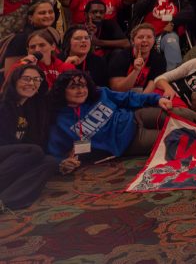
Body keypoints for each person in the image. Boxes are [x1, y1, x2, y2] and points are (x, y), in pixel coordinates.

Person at [48, 70, 173, 166]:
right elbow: (54, 154)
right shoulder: (60, 122)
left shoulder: (98, 93)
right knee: (174, 137)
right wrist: (62, 163)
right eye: (73, 87)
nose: (80, 90)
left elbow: (127, 97)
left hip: (135, 116)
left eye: (83, 85)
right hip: (130, 141)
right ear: (62, 91)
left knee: (176, 114)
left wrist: (157, 99)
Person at [0, 63, 63, 210]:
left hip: (15, 158)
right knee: (33, 151)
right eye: (26, 79)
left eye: (36, 80)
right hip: (4, 152)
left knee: (50, 161)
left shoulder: (34, 109)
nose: (31, 83)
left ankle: (5, 201)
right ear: (15, 81)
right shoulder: (3, 105)